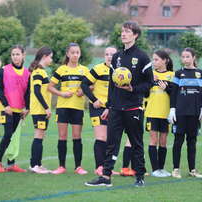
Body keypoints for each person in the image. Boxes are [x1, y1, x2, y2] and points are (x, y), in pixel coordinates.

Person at [85, 21, 153, 187]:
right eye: (122, 31)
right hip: (116, 108)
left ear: (135, 35)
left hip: (133, 108)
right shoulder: (116, 57)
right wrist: (108, 106)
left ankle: (139, 177)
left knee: (136, 143)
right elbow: (111, 87)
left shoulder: (143, 57)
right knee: (111, 143)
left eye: (127, 32)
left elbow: (149, 83)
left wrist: (133, 89)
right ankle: (106, 177)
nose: (123, 34)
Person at [48, 43, 89, 175]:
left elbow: (92, 86)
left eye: (77, 52)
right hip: (63, 107)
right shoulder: (61, 69)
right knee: (62, 136)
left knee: (77, 137)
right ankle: (61, 166)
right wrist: (61, 94)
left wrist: (82, 91)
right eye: (72, 52)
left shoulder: (85, 70)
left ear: (80, 54)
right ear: (68, 54)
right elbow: (50, 87)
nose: (75, 55)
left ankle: (78, 167)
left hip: (77, 107)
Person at [168, 47, 202, 179]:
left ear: (194, 57)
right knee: (178, 141)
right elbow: (173, 93)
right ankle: (175, 169)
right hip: (180, 113)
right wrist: (172, 109)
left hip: (195, 113)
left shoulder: (200, 73)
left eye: (187, 56)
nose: (185, 59)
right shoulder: (178, 74)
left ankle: (192, 169)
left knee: (192, 141)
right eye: (183, 57)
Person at [80, 46, 118, 176]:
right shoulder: (97, 69)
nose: (109, 56)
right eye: (106, 54)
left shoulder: (120, 72)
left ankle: (107, 168)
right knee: (101, 137)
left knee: (110, 139)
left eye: (112, 54)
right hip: (97, 108)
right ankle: (99, 167)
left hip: (112, 108)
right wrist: (94, 99)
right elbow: (84, 84)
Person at [0, 45, 30, 173]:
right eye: (13, 54)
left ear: (23, 55)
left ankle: (11, 164)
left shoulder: (27, 73)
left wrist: (27, 107)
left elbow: (27, 92)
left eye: (18, 54)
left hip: (19, 110)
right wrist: (6, 105)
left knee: (13, 137)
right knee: (8, 135)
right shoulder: (3, 70)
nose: (15, 56)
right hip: (6, 109)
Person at [145, 50, 174, 178]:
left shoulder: (173, 75)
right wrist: (151, 81)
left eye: (156, 59)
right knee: (153, 140)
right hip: (152, 112)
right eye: (153, 59)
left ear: (165, 60)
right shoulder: (150, 74)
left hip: (166, 113)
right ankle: (155, 169)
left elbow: (175, 94)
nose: (154, 62)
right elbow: (144, 93)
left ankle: (161, 169)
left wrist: (166, 88)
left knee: (163, 142)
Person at [28, 47, 53, 174]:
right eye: (51, 57)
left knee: (41, 136)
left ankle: (38, 163)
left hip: (41, 110)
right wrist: (46, 107)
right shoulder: (38, 72)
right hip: (39, 110)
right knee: (38, 135)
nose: (51, 59)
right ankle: (34, 165)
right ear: (44, 57)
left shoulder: (42, 71)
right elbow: (37, 91)